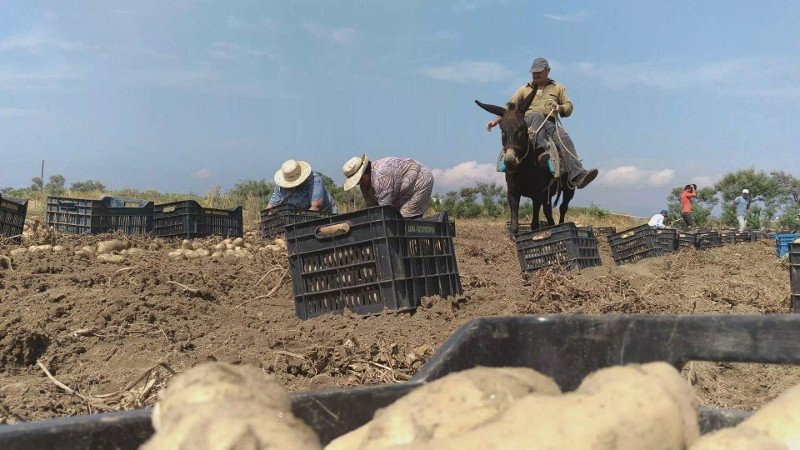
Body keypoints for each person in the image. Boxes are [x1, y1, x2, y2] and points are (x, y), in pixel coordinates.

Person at [486, 57, 598, 189]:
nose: (536, 74)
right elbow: (509, 109)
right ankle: (539, 151)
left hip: (550, 123)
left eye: (539, 71)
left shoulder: (558, 88)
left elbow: (569, 106)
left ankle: (578, 175)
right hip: (526, 123)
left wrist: (560, 108)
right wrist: (496, 120)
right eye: (533, 72)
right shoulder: (524, 89)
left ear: (548, 70)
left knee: (565, 139)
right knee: (527, 124)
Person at [342, 154, 433, 218]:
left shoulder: (381, 176)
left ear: (366, 171)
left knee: (406, 216)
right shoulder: (364, 183)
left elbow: (385, 210)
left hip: (420, 179)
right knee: (397, 218)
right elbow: (371, 207)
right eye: (358, 182)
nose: (360, 183)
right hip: (400, 189)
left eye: (361, 179)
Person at [266, 159, 338, 214]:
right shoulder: (280, 187)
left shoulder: (313, 179)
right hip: (298, 216)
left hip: (324, 214)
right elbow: (271, 207)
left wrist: (299, 221)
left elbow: (316, 206)